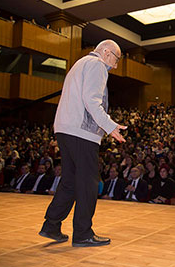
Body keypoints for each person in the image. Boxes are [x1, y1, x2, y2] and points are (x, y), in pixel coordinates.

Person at [39, 40, 127, 248]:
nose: (115, 66)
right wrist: (109, 125)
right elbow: (91, 99)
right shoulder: (97, 65)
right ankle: (83, 233)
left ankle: (51, 225)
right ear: (106, 52)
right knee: (88, 182)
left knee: (70, 180)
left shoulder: (80, 63)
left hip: (65, 129)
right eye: (116, 59)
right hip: (81, 132)